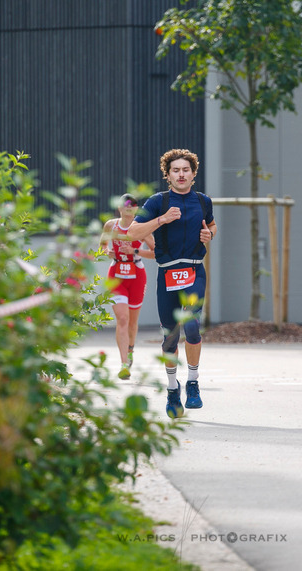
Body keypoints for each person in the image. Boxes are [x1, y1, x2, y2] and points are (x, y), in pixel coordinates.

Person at [126, 148, 217, 418]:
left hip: (194, 271)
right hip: (167, 272)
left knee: (191, 325)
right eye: (175, 170)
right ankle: (172, 388)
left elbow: (212, 226)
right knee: (170, 335)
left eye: (185, 170)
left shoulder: (203, 200)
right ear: (168, 174)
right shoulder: (157, 201)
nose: (181, 174)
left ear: (193, 173)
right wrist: (162, 220)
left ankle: (193, 382)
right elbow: (132, 232)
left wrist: (208, 234)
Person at [100, 193, 155, 380]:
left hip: (136, 276)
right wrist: (108, 251)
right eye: (125, 206)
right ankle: (124, 364)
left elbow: (156, 253)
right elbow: (102, 245)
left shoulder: (142, 229)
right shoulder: (111, 225)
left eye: (132, 206)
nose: (128, 209)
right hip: (116, 276)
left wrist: (135, 250)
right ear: (120, 208)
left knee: (132, 321)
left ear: (136, 209)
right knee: (122, 319)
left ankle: (130, 349)